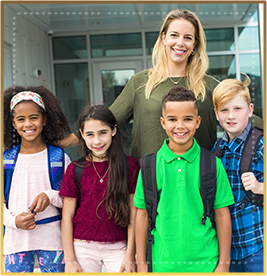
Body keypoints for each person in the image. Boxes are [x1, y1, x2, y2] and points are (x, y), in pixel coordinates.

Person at [134, 87, 235, 272]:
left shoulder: (212, 164)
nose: (180, 126)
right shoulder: (149, 166)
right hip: (161, 265)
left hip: (207, 264)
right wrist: (141, 263)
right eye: (172, 119)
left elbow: (222, 214)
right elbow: (141, 215)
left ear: (197, 122)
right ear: (163, 123)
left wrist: (224, 264)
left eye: (187, 119)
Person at [59, 105, 140, 272]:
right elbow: (67, 217)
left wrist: (131, 255)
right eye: (90, 134)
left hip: (118, 247)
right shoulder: (75, 169)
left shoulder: (129, 166)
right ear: (82, 135)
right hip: (82, 247)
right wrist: (70, 260)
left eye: (102, 132)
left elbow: (134, 213)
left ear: (113, 130)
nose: (97, 141)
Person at [3, 86, 72, 273]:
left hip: (54, 242)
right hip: (15, 243)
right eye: (21, 119)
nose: (28, 124)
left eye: (34, 117)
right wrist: (13, 221)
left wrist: (50, 196)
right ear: (13, 123)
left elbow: (70, 199)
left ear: (44, 120)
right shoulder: (5, 160)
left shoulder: (59, 158)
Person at [212, 74, 263, 272]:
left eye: (237, 109)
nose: (230, 116)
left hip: (256, 245)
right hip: (227, 249)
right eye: (224, 110)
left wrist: (260, 187)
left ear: (250, 110)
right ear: (216, 114)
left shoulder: (260, 145)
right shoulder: (216, 149)